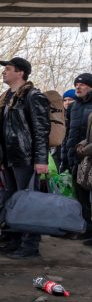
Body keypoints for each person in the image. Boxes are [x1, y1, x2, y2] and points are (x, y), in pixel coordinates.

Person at [0, 57, 50, 259]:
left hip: (26, 157)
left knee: (28, 201)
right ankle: (14, 238)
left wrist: (41, 160)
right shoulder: (8, 97)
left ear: (20, 73)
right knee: (13, 199)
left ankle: (30, 245)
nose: (4, 72)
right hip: (10, 157)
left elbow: (41, 130)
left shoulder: (34, 96)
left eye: (8, 69)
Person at [61, 73, 92, 241]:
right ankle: (86, 229)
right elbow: (68, 135)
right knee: (80, 198)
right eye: (76, 85)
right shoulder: (74, 107)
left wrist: (85, 149)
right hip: (75, 158)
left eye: (82, 84)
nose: (78, 87)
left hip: (90, 157)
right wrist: (66, 157)